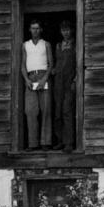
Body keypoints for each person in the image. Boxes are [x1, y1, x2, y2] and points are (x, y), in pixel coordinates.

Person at [21, 21, 54, 149]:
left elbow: (51, 64)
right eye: (33, 28)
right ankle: (33, 143)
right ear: (29, 29)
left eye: (37, 28)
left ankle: (45, 142)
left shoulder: (46, 44)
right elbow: (23, 65)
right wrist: (26, 79)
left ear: (41, 30)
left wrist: (44, 78)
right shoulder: (25, 45)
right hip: (30, 77)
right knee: (30, 110)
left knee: (46, 110)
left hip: (43, 76)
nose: (35, 31)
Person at [52, 19, 76, 152]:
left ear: (71, 30)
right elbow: (57, 63)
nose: (65, 33)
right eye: (63, 30)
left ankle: (69, 143)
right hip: (58, 84)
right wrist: (54, 69)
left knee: (67, 111)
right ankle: (60, 141)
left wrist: (75, 81)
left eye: (67, 30)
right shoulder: (58, 46)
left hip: (69, 83)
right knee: (58, 113)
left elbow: (79, 64)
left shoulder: (75, 45)